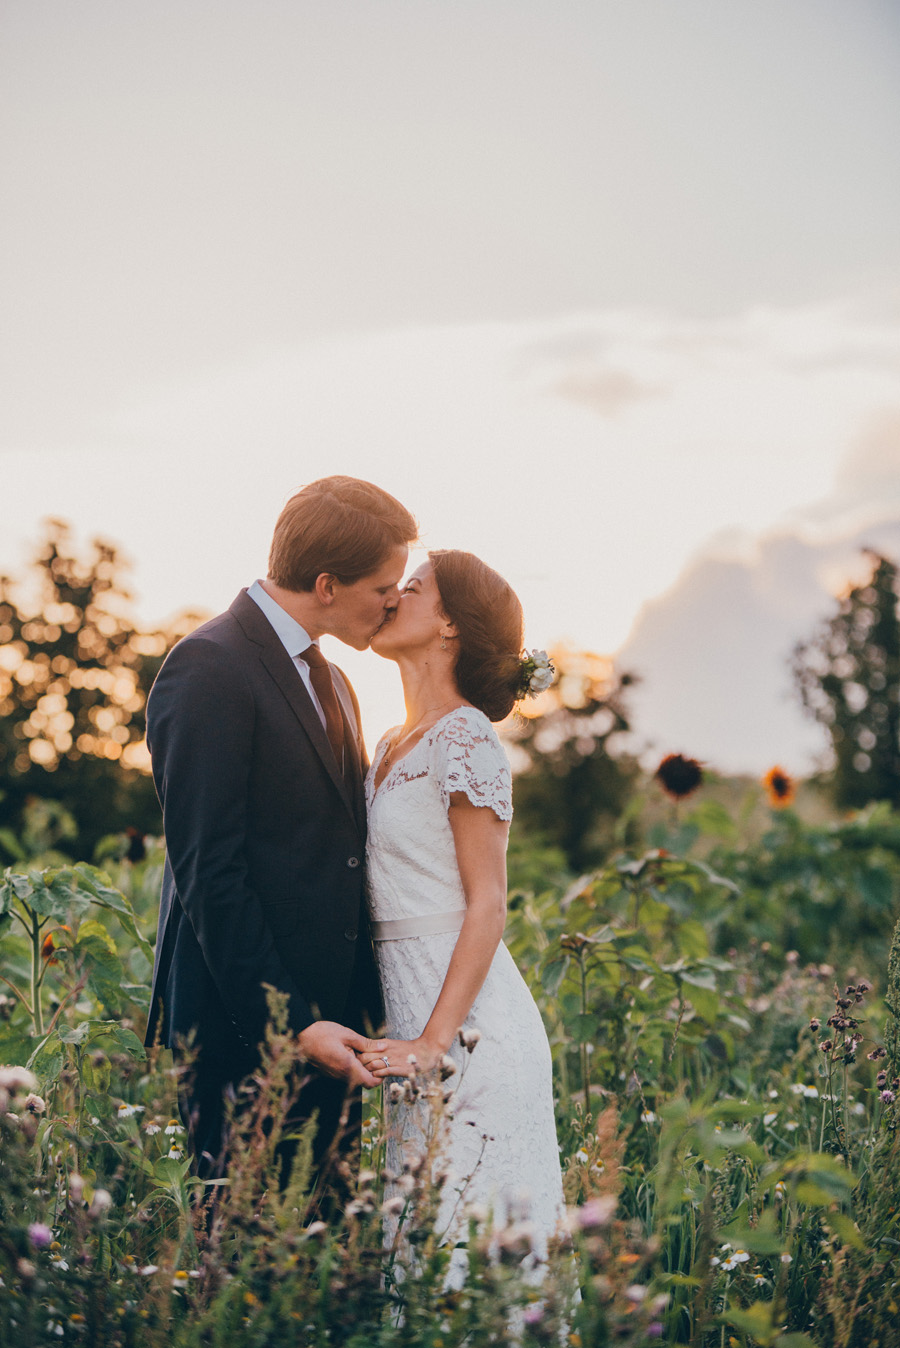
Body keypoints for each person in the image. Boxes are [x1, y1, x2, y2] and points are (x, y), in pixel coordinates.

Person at [144, 476, 417, 1186]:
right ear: (327, 584)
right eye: (384, 586)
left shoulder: (334, 681)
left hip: (334, 1028)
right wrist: (293, 1023)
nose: (395, 601)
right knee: (245, 1271)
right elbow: (211, 874)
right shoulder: (209, 667)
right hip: (243, 1032)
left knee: (322, 1264)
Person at [357, 549, 565, 1282]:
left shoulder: (466, 736)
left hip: (469, 1032)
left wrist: (433, 1042)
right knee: (420, 1257)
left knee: (474, 1270)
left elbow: (487, 904)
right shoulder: (389, 742)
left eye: (409, 588)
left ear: (448, 623)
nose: (389, 598)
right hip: (408, 1013)